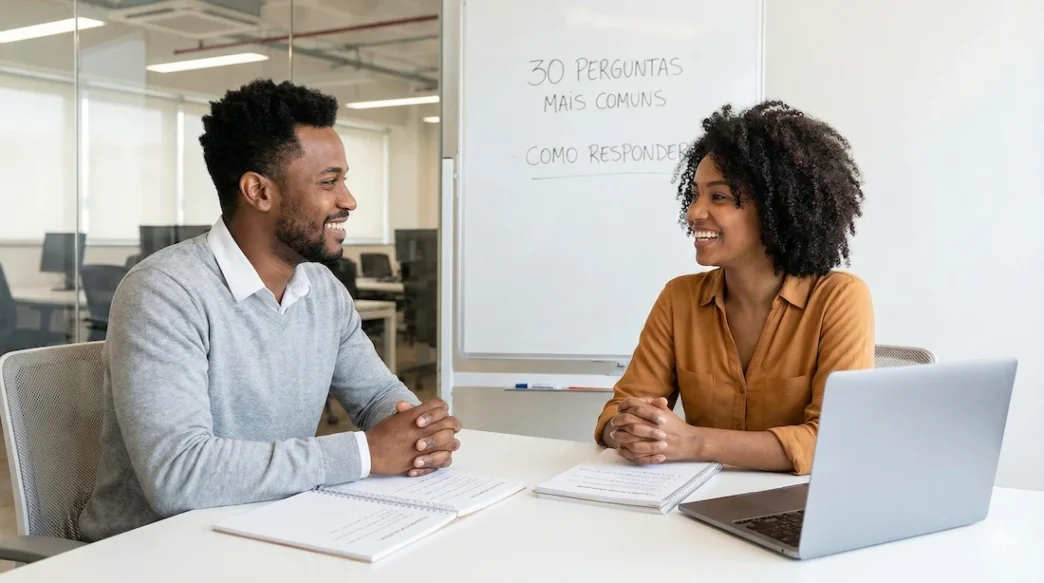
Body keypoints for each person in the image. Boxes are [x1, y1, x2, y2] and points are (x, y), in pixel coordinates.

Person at [78, 79, 461, 541]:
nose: (349, 199)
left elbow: (379, 397)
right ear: (259, 192)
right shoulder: (164, 292)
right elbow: (178, 476)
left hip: (268, 529)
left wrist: (421, 432)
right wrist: (364, 453)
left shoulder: (322, 290)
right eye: (329, 181)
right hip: (152, 551)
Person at [594, 101, 873, 475]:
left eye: (719, 196)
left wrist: (693, 442)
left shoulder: (839, 298)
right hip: (693, 504)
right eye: (695, 194)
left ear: (776, 210)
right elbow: (618, 412)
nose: (694, 212)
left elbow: (833, 441)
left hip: (794, 507)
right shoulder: (679, 299)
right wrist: (628, 431)